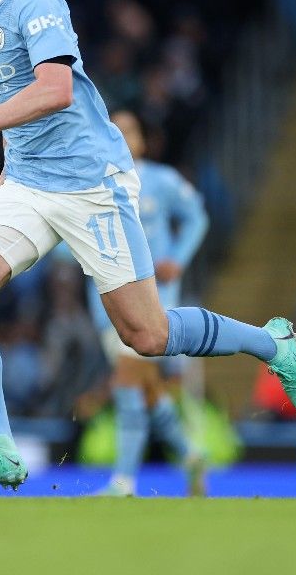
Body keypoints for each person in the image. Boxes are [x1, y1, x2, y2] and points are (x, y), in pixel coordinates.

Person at [0, 0, 296, 491]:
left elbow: (53, 90)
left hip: (89, 185)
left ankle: (271, 342)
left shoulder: (37, 3)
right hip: (28, 183)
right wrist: (8, 162)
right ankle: (1, 446)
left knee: (147, 337)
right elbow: (13, 97)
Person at [82, 110, 209, 496]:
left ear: (140, 141)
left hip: (152, 298)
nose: (121, 137)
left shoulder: (160, 180)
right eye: (113, 131)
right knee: (146, 391)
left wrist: (179, 259)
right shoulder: (90, 184)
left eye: (129, 131)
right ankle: (190, 454)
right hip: (105, 301)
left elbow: (197, 217)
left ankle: (123, 481)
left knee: (127, 384)